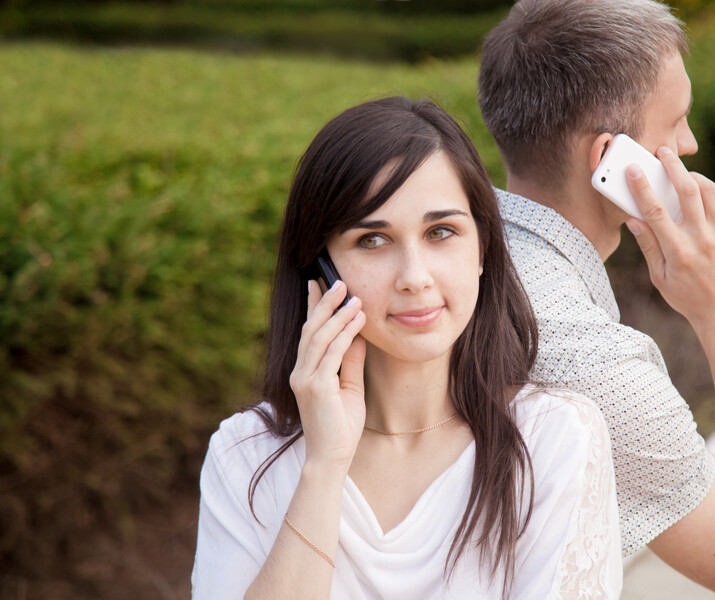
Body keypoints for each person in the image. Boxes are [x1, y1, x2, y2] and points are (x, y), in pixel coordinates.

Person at [191, 96, 622, 599]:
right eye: (372, 241)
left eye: (441, 232)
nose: (414, 278)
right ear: (321, 270)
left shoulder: (551, 436)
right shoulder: (245, 455)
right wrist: (325, 465)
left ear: (482, 249)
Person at [478, 1, 715, 598]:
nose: (688, 144)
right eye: (677, 121)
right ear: (609, 158)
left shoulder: (449, 251)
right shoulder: (591, 363)